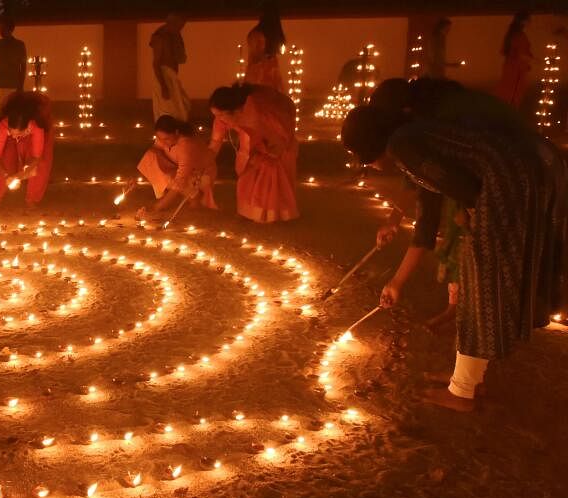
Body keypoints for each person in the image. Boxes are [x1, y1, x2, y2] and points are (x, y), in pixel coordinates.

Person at [342, 104, 568, 412]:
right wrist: (396, 283)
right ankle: (468, 379)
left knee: (480, 288)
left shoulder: (403, 145)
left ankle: (463, 391)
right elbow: (428, 215)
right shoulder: (413, 138)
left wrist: (472, 217)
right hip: (525, 175)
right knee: (479, 285)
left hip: (513, 184)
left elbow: (466, 190)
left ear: (370, 145)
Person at [209, 83, 299, 223]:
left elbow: (279, 137)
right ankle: (248, 212)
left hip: (276, 143)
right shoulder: (223, 117)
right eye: (215, 115)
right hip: (255, 143)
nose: (219, 119)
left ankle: (271, 215)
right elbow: (215, 142)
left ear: (236, 110)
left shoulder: (259, 112)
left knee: (270, 180)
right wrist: (205, 161)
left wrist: (271, 151)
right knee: (247, 176)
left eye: (221, 114)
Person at [134, 115, 218, 221]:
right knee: (151, 156)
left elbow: (181, 179)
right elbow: (151, 154)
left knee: (179, 182)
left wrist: (159, 206)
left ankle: (195, 196)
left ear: (177, 132)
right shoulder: (164, 139)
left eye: (166, 139)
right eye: (159, 138)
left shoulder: (187, 145)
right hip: (182, 171)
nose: (163, 142)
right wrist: (135, 177)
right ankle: (184, 194)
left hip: (201, 175)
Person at [0, 91, 53, 211]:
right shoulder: (3, 127)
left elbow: (37, 157)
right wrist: (6, 174)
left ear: (27, 128)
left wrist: (22, 174)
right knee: (7, 159)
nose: (15, 137)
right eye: (12, 133)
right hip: (12, 133)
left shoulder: (36, 126)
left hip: (33, 136)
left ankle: (31, 199)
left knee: (41, 165)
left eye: (18, 134)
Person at [150, 15, 190, 122]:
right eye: (179, 26)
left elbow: (181, 58)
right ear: (171, 23)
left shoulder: (174, 35)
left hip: (171, 75)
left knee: (181, 106)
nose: (180, 28)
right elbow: (156, 63)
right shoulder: (160, 37)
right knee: (169, 110)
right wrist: (163, 86)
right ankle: (167, 132)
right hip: (163, 76)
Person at [244, 2, 287, 93]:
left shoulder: (256, 34)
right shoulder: (275, 36)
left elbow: (254, 57)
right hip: (271, 75)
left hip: (258, 74)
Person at [495, 12, 533, 107]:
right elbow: (521, 54)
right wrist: (535, 60)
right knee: (512, 94)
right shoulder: (519, 36)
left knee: (508, 93)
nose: (531, 23)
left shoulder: (513, 35)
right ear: (524, 21)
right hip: (516, 69)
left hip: (512, 68)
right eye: (529, 20)